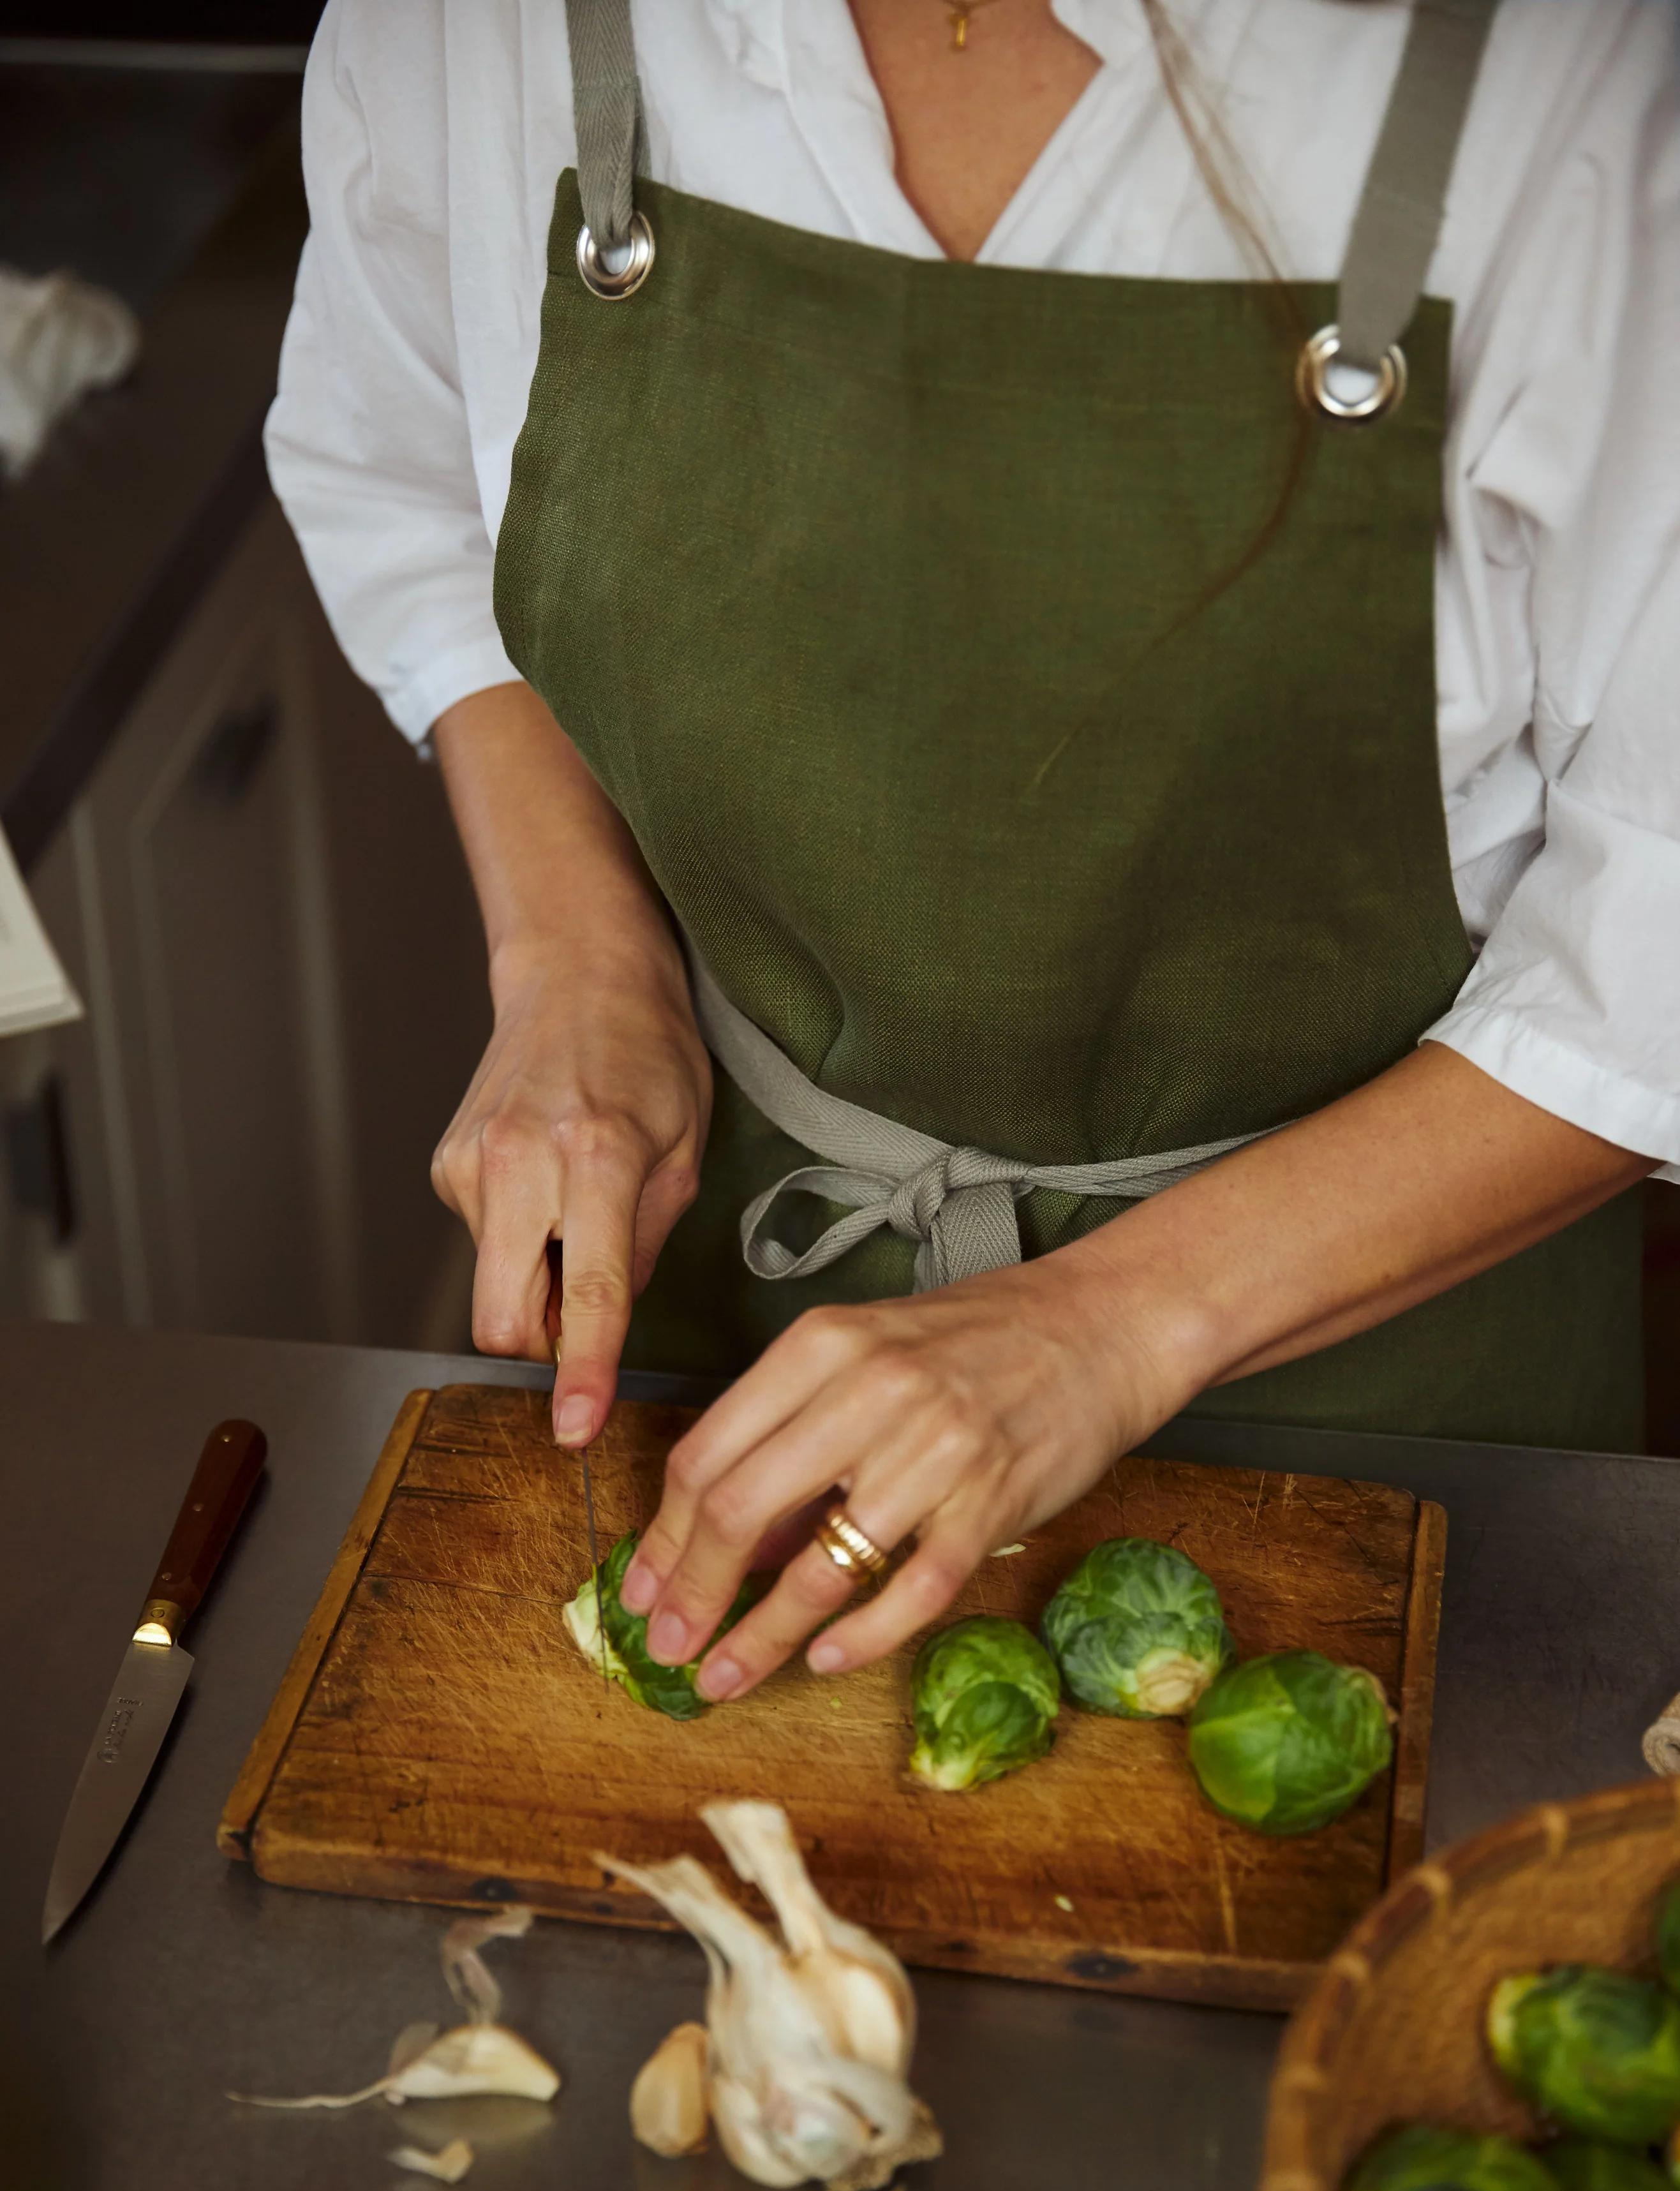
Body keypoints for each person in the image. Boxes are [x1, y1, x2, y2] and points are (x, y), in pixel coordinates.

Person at [267, 0, 1679, 1710]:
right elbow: (406, 486)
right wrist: (581, 964)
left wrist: (1109, 1323)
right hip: (739, 1313)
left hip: (1404, 1385)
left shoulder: (1585, 76)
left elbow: (1650, 933)